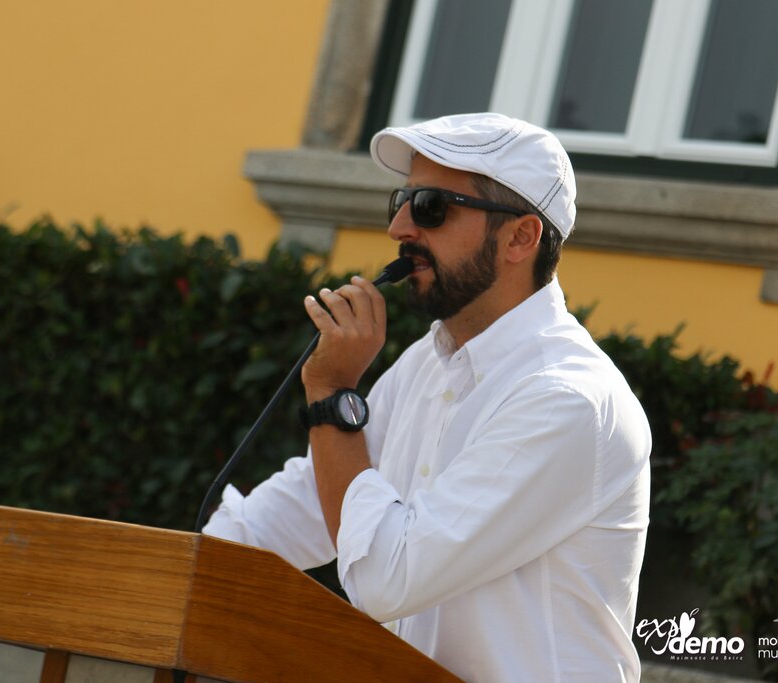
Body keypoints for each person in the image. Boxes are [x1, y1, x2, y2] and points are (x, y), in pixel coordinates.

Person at [203, 112, 651, 682]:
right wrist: (192, 568)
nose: (399, 227)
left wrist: (333, 396)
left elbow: (387, 579)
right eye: (402, 200)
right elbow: (317, 498)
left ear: (520, 237)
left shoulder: (566, 399)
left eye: (431, 207)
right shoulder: (429, 360)